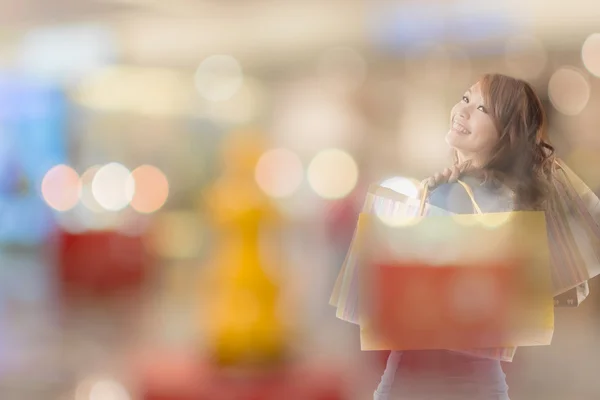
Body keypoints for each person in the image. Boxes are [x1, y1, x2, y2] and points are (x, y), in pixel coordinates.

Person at [373, 73, 555, 400]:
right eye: (467, 98)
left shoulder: (498, 203)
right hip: (424, 370)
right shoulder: (451, 190)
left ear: (507, 135)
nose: (463, 110)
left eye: (484, 109)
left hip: (452, 377)